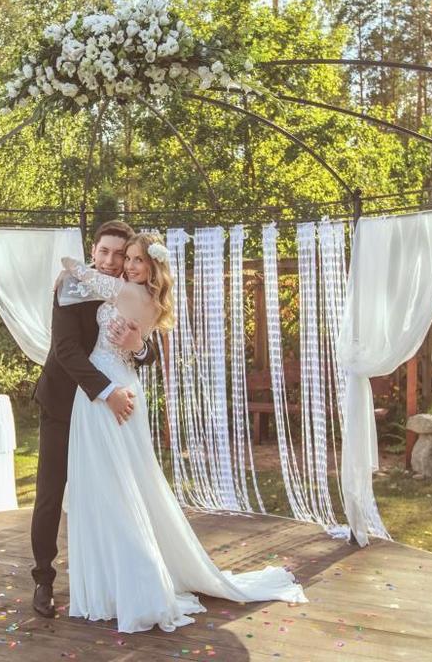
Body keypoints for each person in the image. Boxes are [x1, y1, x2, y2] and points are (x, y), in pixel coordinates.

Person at [59, 232, 308, 634]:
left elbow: (73, 269)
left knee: (116, 487)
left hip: (109, 392)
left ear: (153, 267)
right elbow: (136, 345)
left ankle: (138, 586)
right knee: (122, 484)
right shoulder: (149, 299)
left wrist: (73, 269)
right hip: (116, 383)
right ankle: (116, 582)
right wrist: (137, 344)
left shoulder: (126, 291)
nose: (128, 265)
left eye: (137, 259)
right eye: (127, 258)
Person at [30, 220, 158, 618]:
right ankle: (43, 580)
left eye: (119, 254)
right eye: (104, 252)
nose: (111, 261)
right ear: (93, 251)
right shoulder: (70, 285)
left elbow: (148, 347)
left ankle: (112, 577)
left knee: (112, 491)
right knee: (51, 493)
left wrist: (138, 347)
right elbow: (66, 350)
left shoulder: (128, 289)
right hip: (64, 404)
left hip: (104, 413)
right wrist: (108, 391)